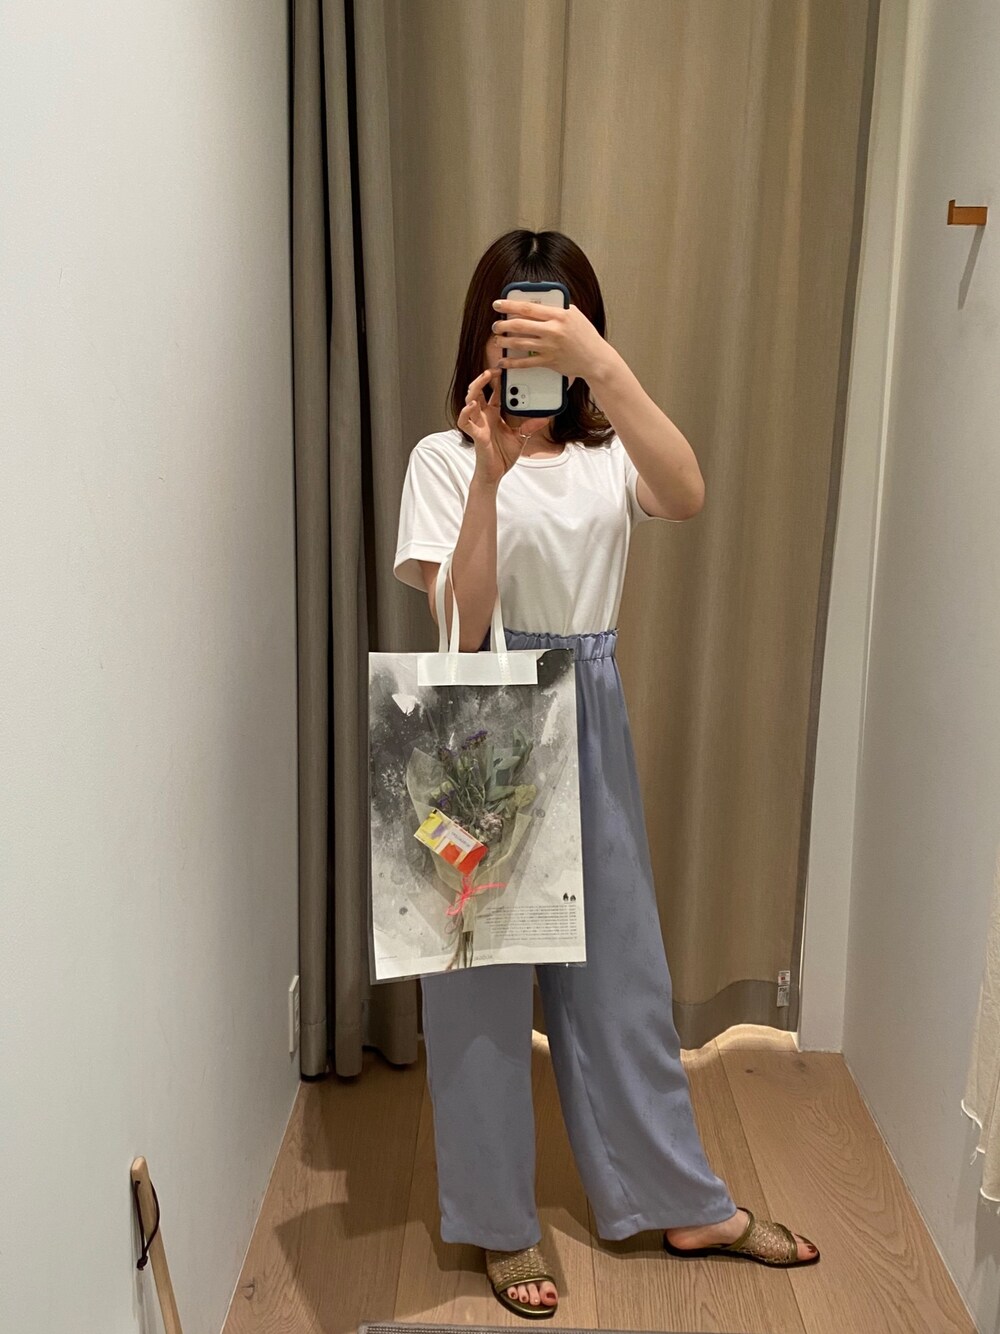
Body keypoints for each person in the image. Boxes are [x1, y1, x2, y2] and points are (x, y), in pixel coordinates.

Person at [392, 229, 820, 1320]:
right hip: (480, 722)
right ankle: (500, 1221)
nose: (534, 342)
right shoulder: (442, 459)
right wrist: (487, 474)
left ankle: (680, 1199)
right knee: (479, 991)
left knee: (621, 972)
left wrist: (603, 367)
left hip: (586, 705)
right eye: (516, 321)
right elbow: (461, 628)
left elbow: (687, 491)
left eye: (556, 320)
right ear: (484, 331)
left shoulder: (606, 452)